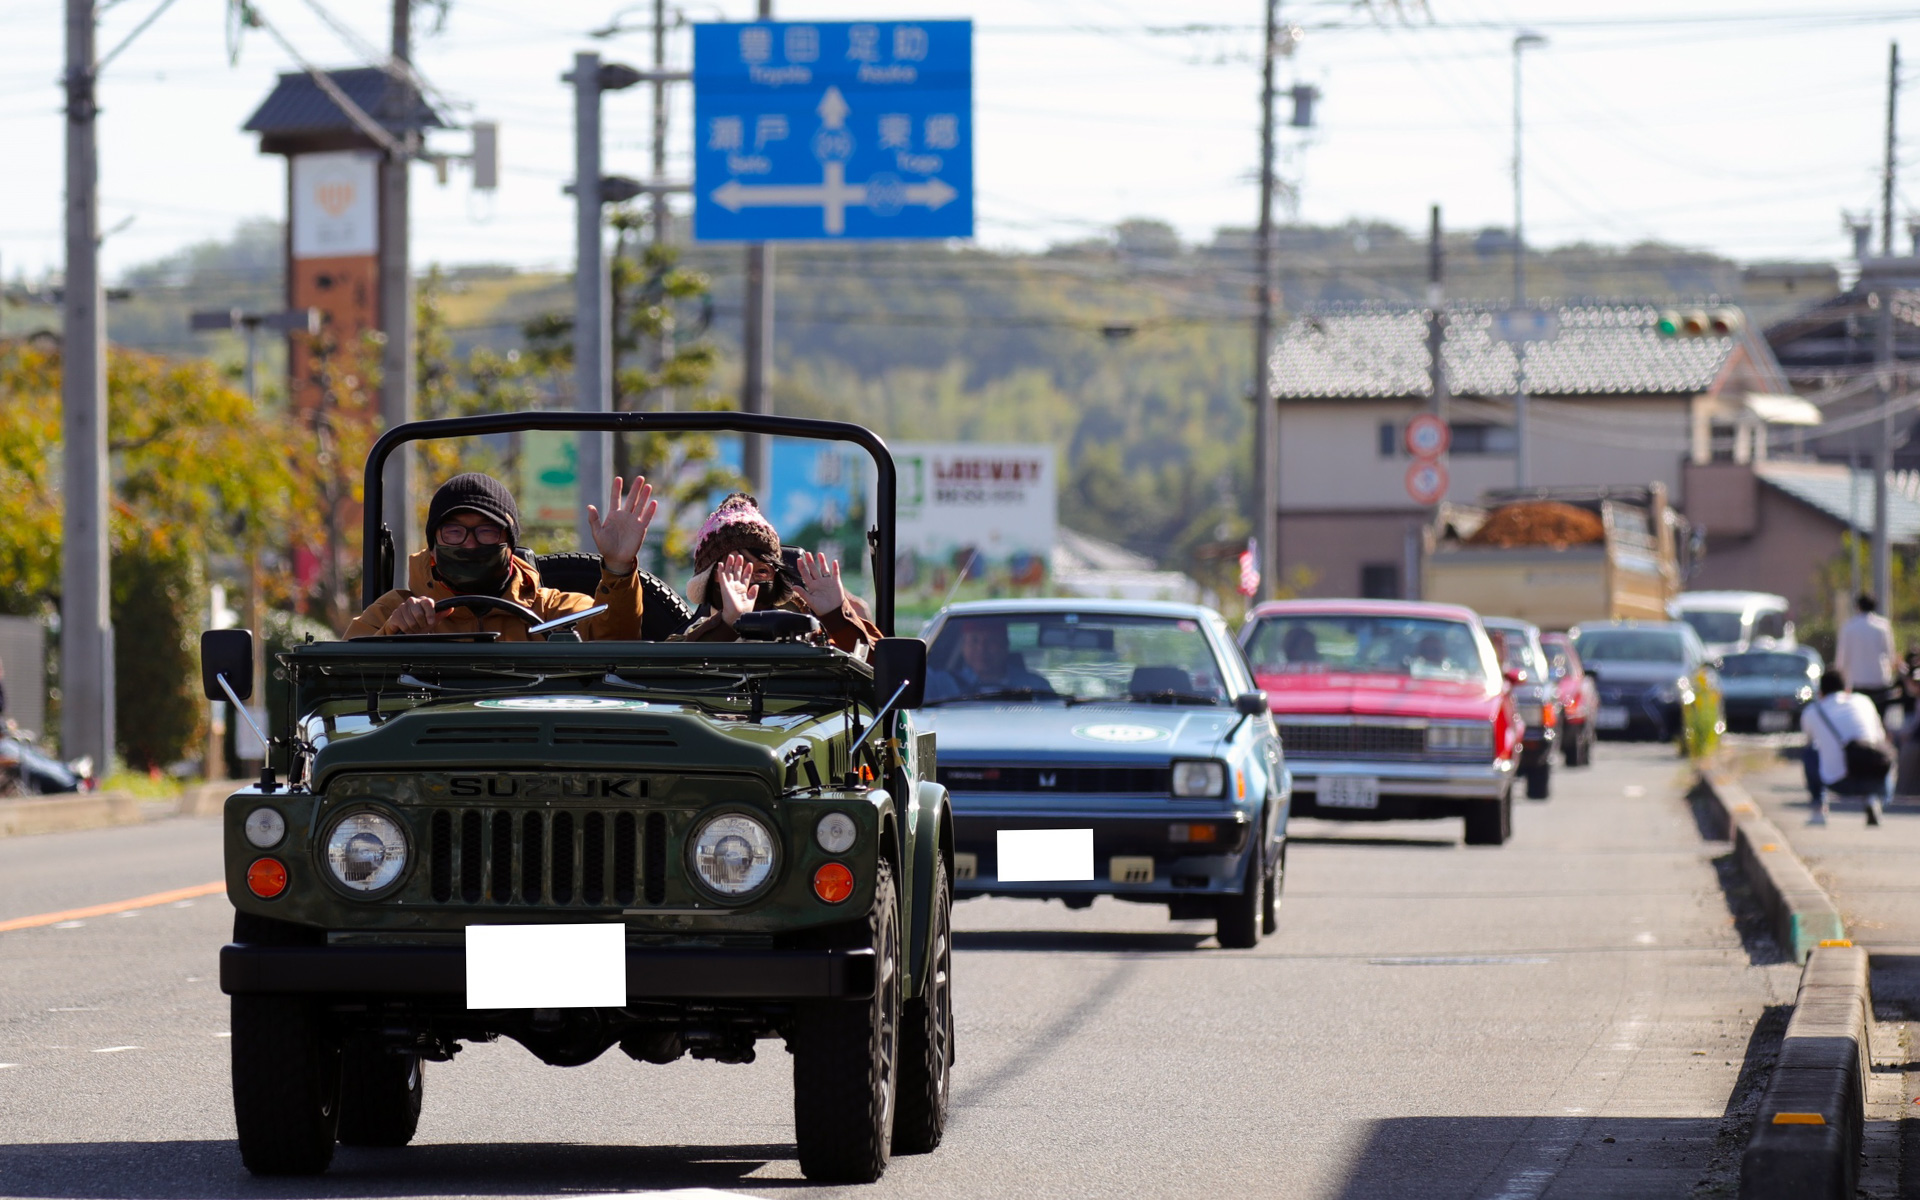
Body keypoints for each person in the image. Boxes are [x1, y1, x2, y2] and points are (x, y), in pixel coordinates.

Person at [345, 472, 655, 641]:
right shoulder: (396, 612)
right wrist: (393, 637)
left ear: (510, 543)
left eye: (487, 531)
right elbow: (343, 684)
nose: (469, 545)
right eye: (454, 532)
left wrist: (618, 566)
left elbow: (617, 640)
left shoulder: (555, 613)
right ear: (433, 544)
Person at [678, 493, 880, 653]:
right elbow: (675, 676)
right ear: (712, 576)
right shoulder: (692, 637)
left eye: (762, 570)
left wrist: (838, 617)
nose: (750, 580)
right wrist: (727, 624)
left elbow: (882, 675)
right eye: (738, 569)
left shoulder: (810, 634)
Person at [1802, 668, 1894, 827]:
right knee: (1879, 750)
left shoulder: (1813, 711)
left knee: (1810, 751)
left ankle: (1819, 808)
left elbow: (1810, 740)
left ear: (1821, 693)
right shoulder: (1864, 701)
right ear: (1847, 688)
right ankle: (1873, 799)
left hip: (1838, 781)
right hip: (1874, 779)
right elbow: (1880, 737)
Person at [925, 619, 1054, 702]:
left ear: (1005, 645)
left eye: (991, 641)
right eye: (974, 641)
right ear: (963, 647)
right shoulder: (939, 685)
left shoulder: (1036, 686)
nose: (982, 649)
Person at [1835, 593, 1898, 718]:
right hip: (1879, 679)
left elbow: (1842, 657)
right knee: (1879, 718)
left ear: (1857, 606)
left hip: (1857, 681)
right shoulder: (1883, 626)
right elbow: (1891, 654)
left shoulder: (1848, 627)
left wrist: (1842, 679)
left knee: (1861, 717)